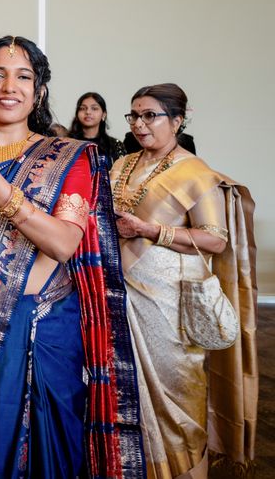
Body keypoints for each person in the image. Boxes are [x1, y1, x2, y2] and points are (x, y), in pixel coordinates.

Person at [0, 36, 144, 478]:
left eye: (23, 76)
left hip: (43, 331)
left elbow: (62, 243)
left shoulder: (69, 156)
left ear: (38, 91)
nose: (9, 86)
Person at [111, 83, 256, 479]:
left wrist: (150, 230)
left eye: (150, 116)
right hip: (121, 293)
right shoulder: (122, 164)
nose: (140, 125)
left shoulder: (195, 172)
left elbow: (214, 237)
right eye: (134, 116)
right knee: (126, 390)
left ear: (178, 120)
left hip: (168, 302)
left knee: (176, 391)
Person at [68, 91, 125, 166]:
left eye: (94, 108)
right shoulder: (67, 143)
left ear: (103, 115)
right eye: (82, 108)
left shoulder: (115, 145)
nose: (88, 112)